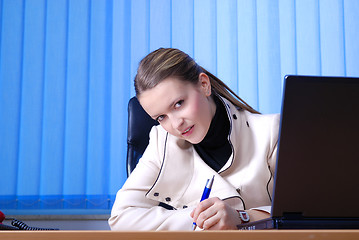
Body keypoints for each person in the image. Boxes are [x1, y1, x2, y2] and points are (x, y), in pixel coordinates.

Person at [109, 48, 280, 231]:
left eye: (178, 104)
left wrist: (242, 217)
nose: (176, 124)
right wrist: (200, 219)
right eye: (161, 117)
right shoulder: (162, 142)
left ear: (204, 85)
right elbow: (121, 218)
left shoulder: (270, 131)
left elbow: (306, 212)